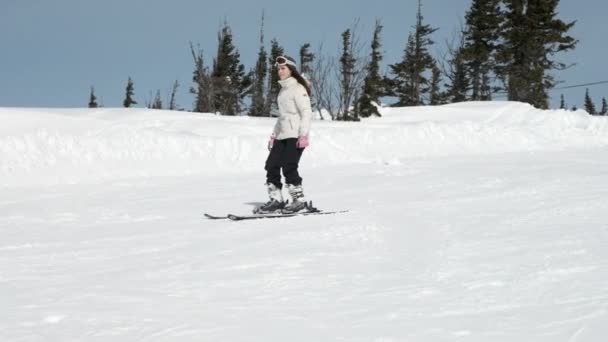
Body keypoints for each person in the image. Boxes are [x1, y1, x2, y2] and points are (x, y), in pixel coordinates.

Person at [255, 55, 312, 214]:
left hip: (295, 134)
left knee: (289, 165)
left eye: (283, 68)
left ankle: (298, 201)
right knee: (271, 165)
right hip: (282, 135)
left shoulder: (298, 88)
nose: (280, 71)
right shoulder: (283, 91)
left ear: (291, 70)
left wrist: (303, 135)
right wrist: (274, 135)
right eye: (278, 69)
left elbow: (306, 112)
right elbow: (282, 117)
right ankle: (276, 200)